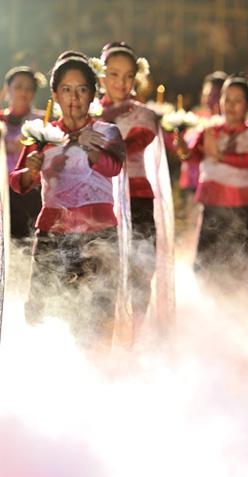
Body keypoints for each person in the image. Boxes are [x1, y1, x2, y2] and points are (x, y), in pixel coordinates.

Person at [9, 51, 126, 348]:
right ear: (55, 95)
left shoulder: (107, 131)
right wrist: (30, 171)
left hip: (98, 238)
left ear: (92, 94)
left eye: (81, 89)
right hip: (53, 235)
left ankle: (100, 377)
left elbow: (115, 166)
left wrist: (91, 149)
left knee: (96, 314)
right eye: (66, 90)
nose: (74, 97)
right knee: (45, 310)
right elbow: (18, 183)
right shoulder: (42, 134)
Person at [99, 41, 174, 330]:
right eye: (114, 74)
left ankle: (138, 335)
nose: (121, 82)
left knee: (141, 269)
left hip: (138, 198)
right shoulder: (89, 112)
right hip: (102, 202)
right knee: (105, 270)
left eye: (128, 75)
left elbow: (128, 146)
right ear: (102, 75)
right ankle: (108, 334)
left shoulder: (143, 115)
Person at [177, 74, 248, 293]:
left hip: (245, 210)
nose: (231, 105)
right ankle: (211, 316)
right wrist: (182, 149)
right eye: (227, 99)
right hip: (214, 208)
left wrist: (219, 155)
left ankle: (240, 317)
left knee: (240, 267)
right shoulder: (210, 129)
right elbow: (193, 156)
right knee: (206, 264)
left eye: (237, 100)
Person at [2, 67, 45, 243]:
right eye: (18, 86)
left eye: (29, 88)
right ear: (8, 89)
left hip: (31, 189)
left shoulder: (42, 120)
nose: (23, 92)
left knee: (29, 240)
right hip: (3, 191)